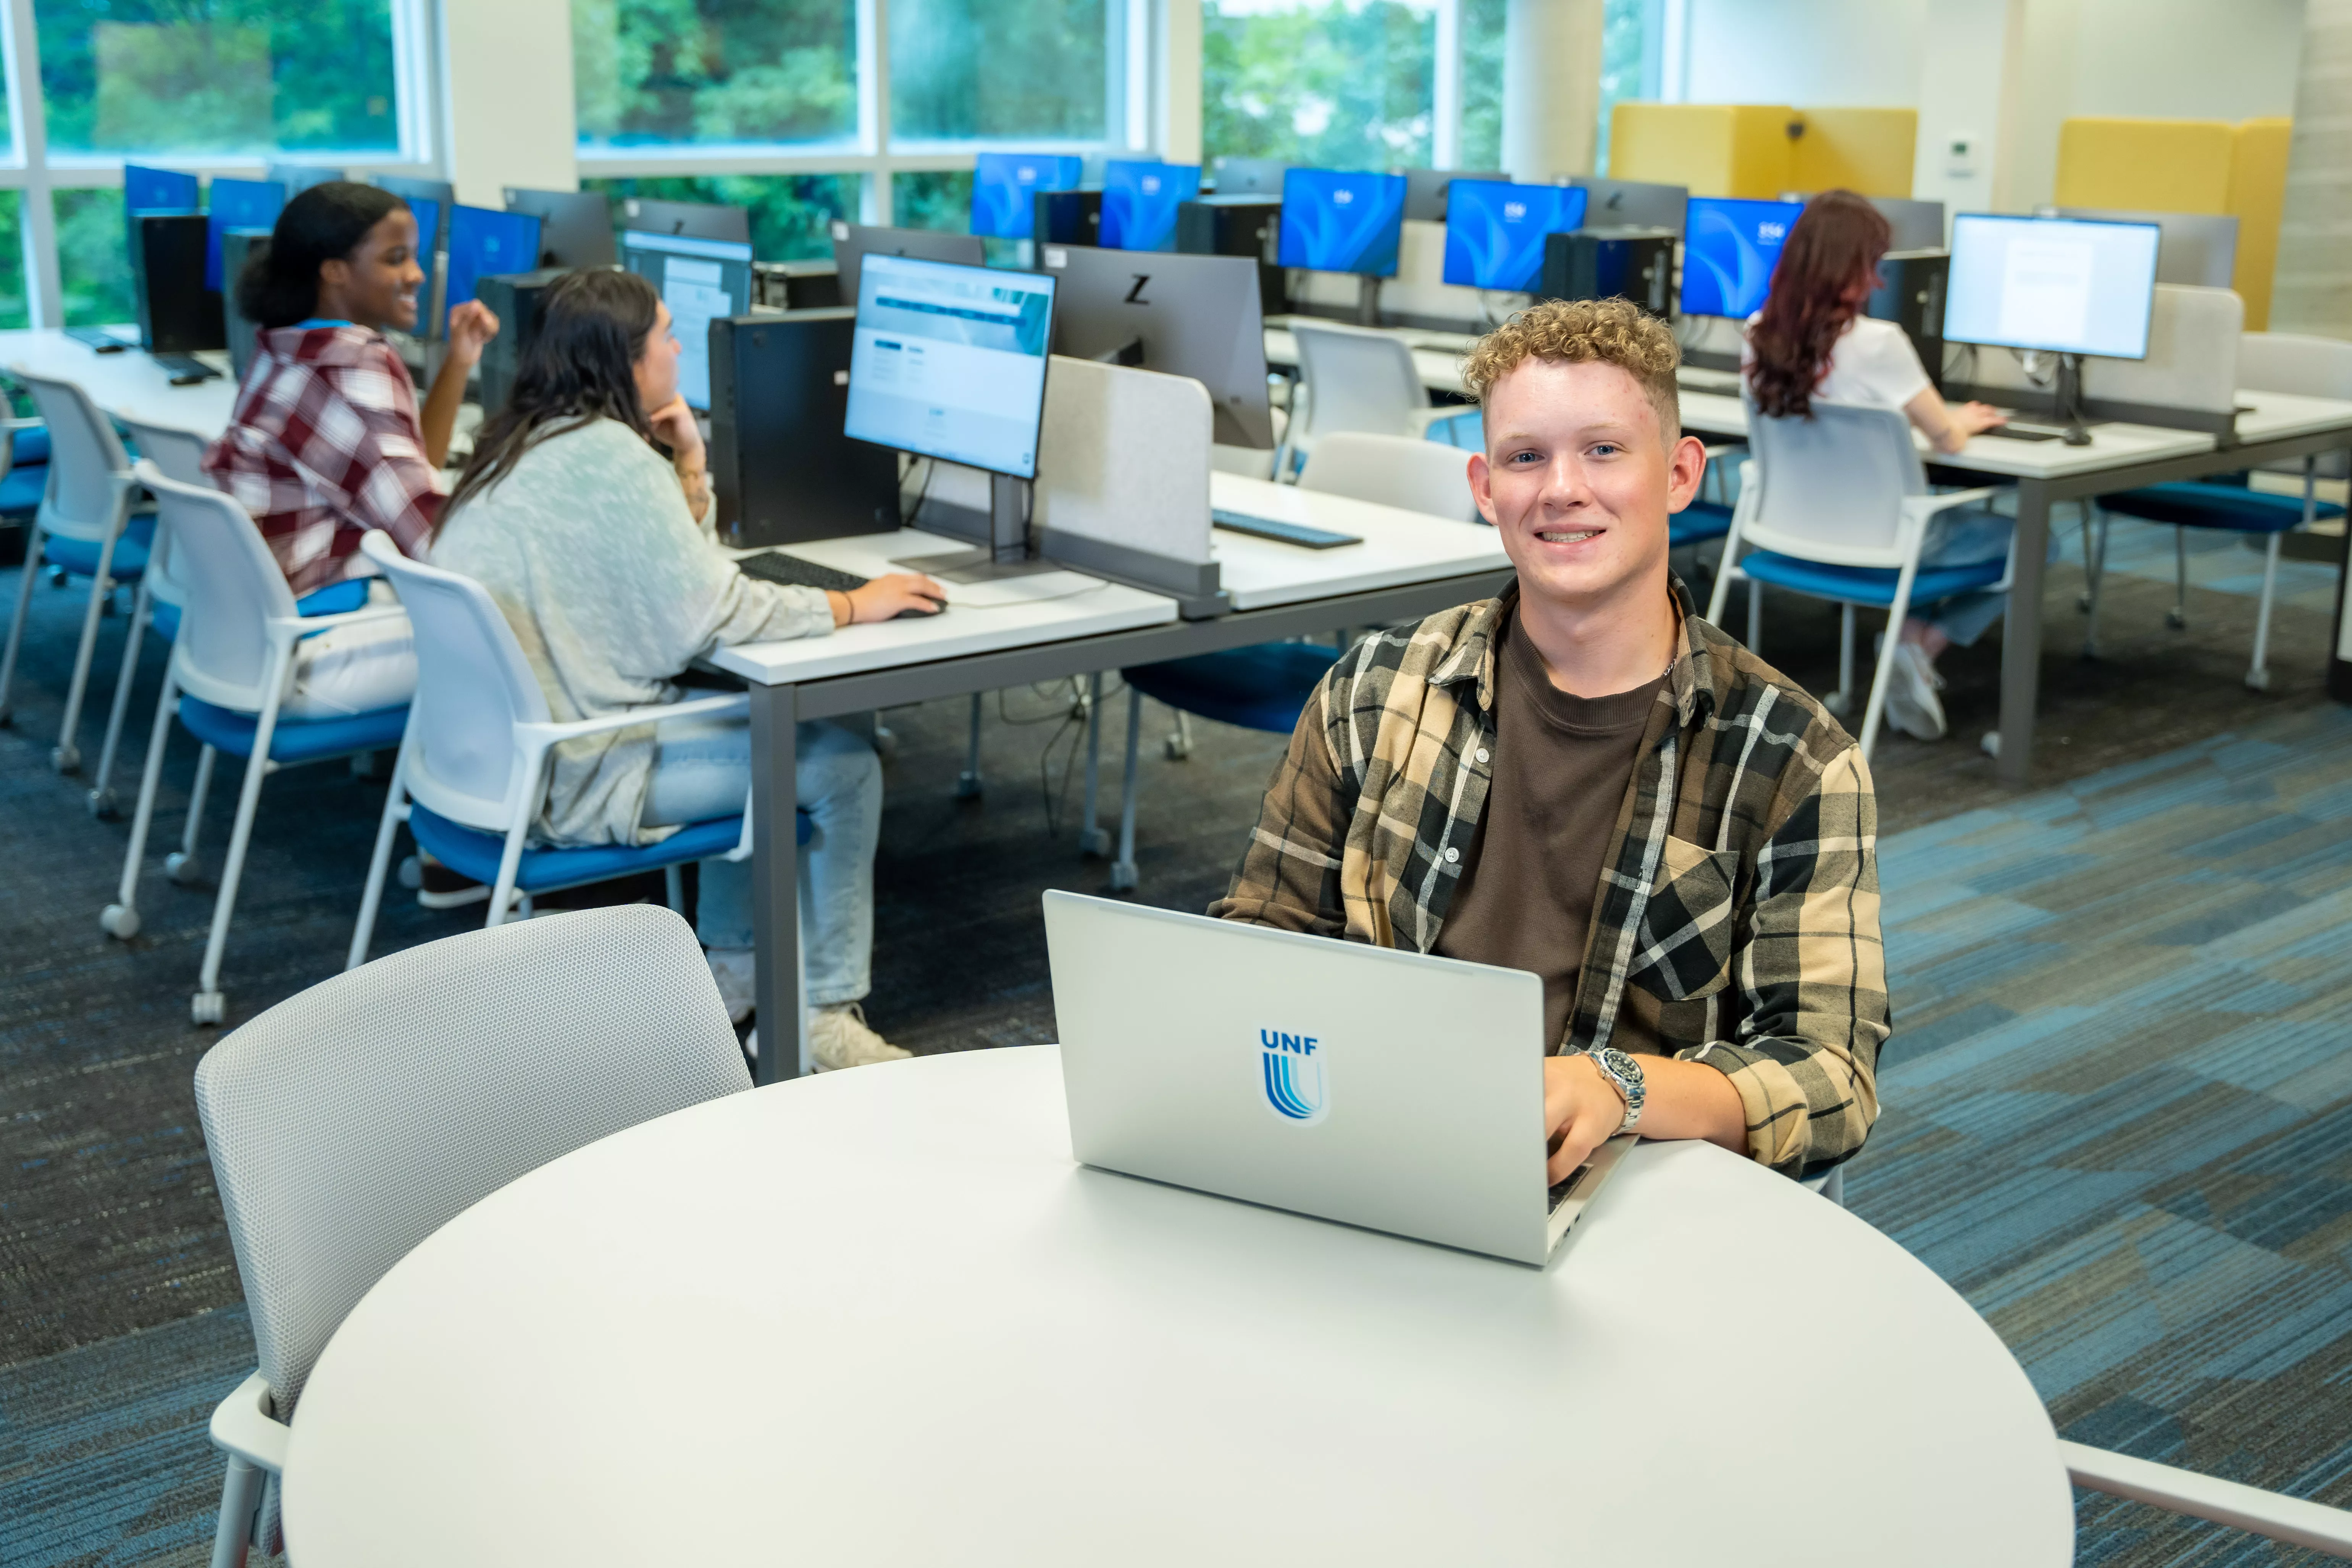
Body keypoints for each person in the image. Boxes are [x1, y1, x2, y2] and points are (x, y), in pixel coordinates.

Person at [1211, 297, 1887, 1185]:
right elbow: (1260, 939)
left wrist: (1620, 1087)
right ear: (1485, 488)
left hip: (1633, 1181)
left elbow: (1830, 1079)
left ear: (1680, 474)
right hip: (1383, 1141)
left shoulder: (1792, 757)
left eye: (1603, 449)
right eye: (1525, 456)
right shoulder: (1375, 690)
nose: (1562, 488)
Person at [428, 269, 945, 1071]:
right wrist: (854, 604)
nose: (677, 348)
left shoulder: (522, 438)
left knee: (783, 727)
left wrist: (688, 463)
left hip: (499, 758)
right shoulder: (608, 457)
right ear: (627, 363)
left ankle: (734, 976)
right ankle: (819, 1017)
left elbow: (651, 574)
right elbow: (711, 614)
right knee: (841, 766)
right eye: (666, 336)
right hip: (583, 768)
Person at [1743, 188, 2016, 741]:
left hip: (1790, 531)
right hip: (1887, 539)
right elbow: (1947, 439)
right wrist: (1965, 419)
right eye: (1872, 264)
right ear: (1850, 268)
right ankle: (1918, 639)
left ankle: (1911, 639)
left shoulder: (1757, 334)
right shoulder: (1879, 343)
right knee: (2032, 542)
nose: (1879, 280)